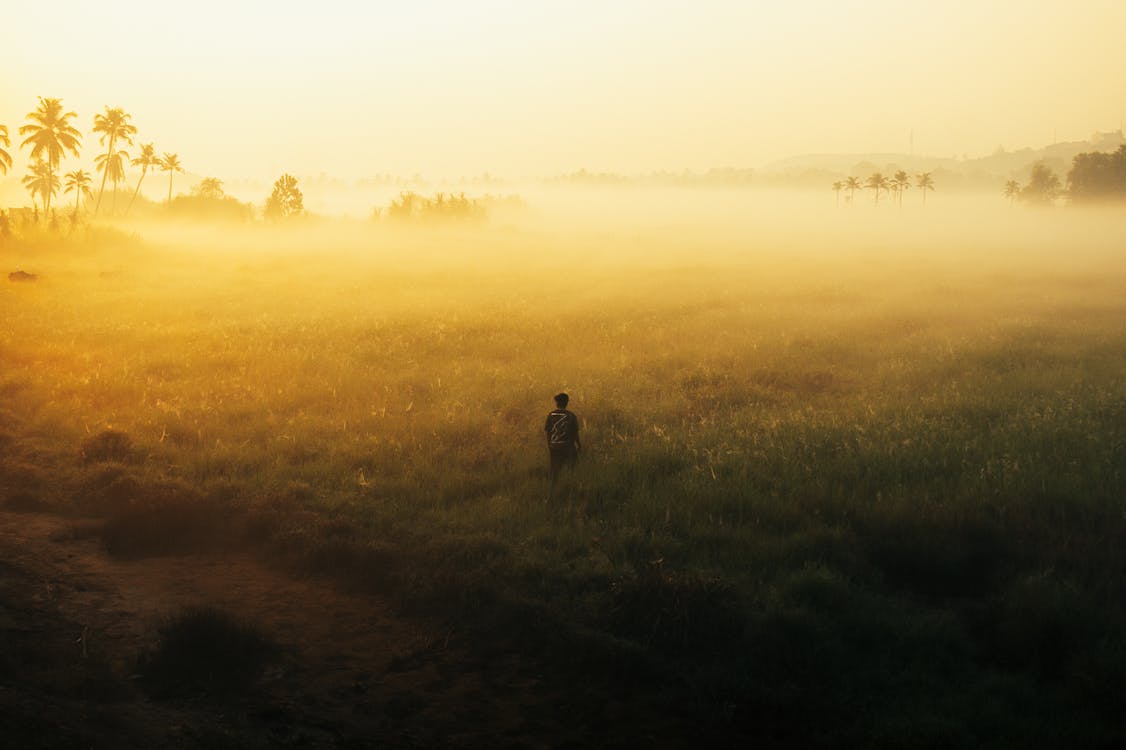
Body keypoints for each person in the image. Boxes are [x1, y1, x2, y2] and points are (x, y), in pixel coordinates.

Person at [545, 392, 580, 481]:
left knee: (554, 469)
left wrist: (549, 444)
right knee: (570, 468)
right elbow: (575, 433)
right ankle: (569, 483)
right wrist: (579, 445)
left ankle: (553, 487)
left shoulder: (551, 415)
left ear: (557, 403)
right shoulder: (571, 416)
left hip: (554, 446)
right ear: (567, 403)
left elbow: (548, 431)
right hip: (567, 446)